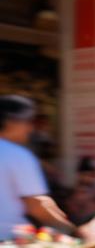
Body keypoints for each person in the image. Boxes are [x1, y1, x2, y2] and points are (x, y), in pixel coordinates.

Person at [0, 95, 75, 239]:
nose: (31, 128)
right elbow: (35, 206)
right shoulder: (17, 155)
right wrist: (73, 232)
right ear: (11, 122)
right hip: (7, 243)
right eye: (28, 121)